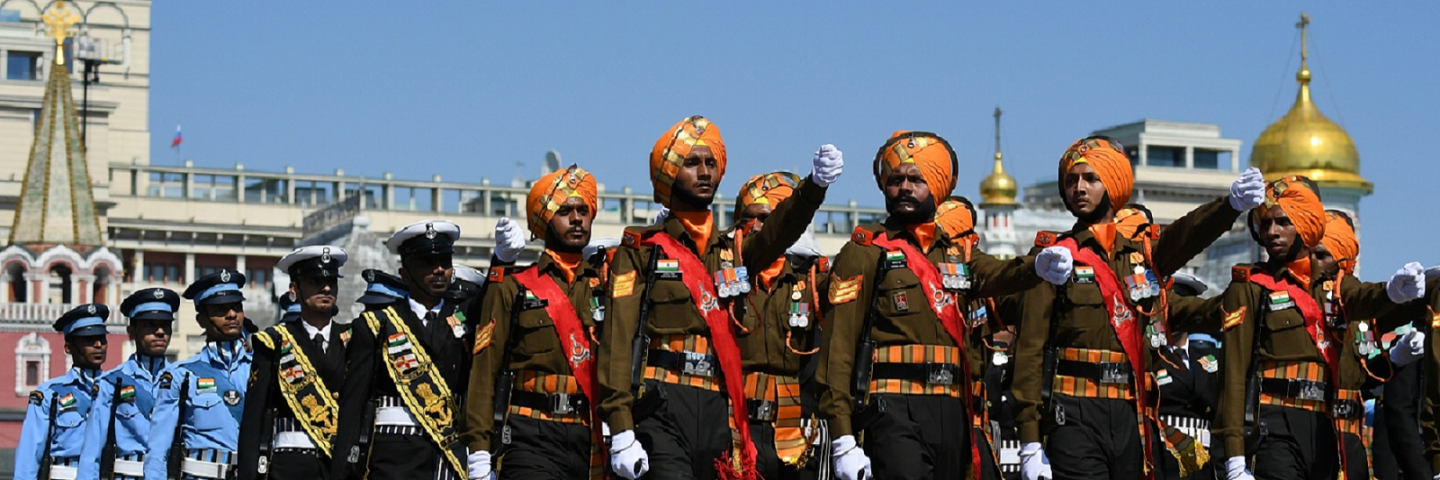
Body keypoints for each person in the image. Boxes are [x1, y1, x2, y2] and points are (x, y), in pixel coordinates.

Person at [817, 130, 1073, 480]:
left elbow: (996, 275)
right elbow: (838, 349)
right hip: (892, 406)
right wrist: (843, 438)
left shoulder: (958, 253)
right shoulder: (864, 252)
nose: (904, 187)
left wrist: (1036, 266)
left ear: (938, 186)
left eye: (916, 179)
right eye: (895, 179)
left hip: (952, 409)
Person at [598, 116, 841, 480]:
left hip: (718, 409)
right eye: (691, 163)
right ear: (669, 173)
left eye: (711, 163)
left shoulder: (736, 253)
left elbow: (780, 230)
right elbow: (617, 341)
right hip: (663, 402)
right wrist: (619, 426)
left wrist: (814, 187)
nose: (704, 172)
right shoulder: (642, 250)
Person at [1012, 136, 1268, 480]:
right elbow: (1030, 349)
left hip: (1130, 413)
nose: (1079, 188)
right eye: (1071, 180)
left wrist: (1229, 207)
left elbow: (1187, 234)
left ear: (1114, 183)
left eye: (1091, 178)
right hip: (1074, 413)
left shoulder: (1144, 257)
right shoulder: (1054, 258)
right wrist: (1030, 441)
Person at [1215, 176, 1426, 480]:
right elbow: (1233, 375)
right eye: (1266, 224)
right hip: (1273, 424)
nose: (1272, 232)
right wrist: (1234, 457)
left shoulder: (1331, 287)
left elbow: (1360, 296)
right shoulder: (1250, 286)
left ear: (1305, 225)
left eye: (1284, 222)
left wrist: (1392, 291)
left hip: (1321, 428)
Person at [463, 165, 609, 480]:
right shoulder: (514, 287)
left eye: (583, 210)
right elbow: (484, 370)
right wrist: (477, 448)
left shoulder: (607, 285)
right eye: (564, 210)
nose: (576, 218)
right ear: (543, 220)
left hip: (593, 434)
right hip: (531, 434)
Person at [332, 220, 472, 480]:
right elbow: (353, 407)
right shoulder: (377, 325)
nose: (439, 270)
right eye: (427, 264)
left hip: (448, 458)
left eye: (445, 261)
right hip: (394, 457)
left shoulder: (464, 321)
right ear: (405, 274)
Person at [728, 171, 830, 480]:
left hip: (791, 432)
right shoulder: (724, 276)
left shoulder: (810, 280)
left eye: (770, 218)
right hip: (733, 427)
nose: (761, 227)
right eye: (752, 218)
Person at [240, 246, 350, 480]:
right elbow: (253, 421)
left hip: (341, 465)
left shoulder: (353, 340)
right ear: (294, 290)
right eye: (315, 281)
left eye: (331, 281)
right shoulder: (275, 342)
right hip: (289, 464)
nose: (326, 288)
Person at [147, 269, 255, 480]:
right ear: (201, 319)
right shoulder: (181, 375)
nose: (232, 314)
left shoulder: (260, 368)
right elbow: (158, 448)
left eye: (236, 307)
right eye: (220, 309)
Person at [78, 289, 179, 480]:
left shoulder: (182, 380)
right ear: (131, 331)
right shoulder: (111, 383)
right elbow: (92, 451)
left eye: (165, 325)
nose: (160, 332)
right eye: (150, 325)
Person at [15, 304, 110, 480]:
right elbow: (30, 452)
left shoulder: (115, 389)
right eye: (88, 339)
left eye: (102, 339)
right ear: (69, 348)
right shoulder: (50, 394)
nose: (98, 345)